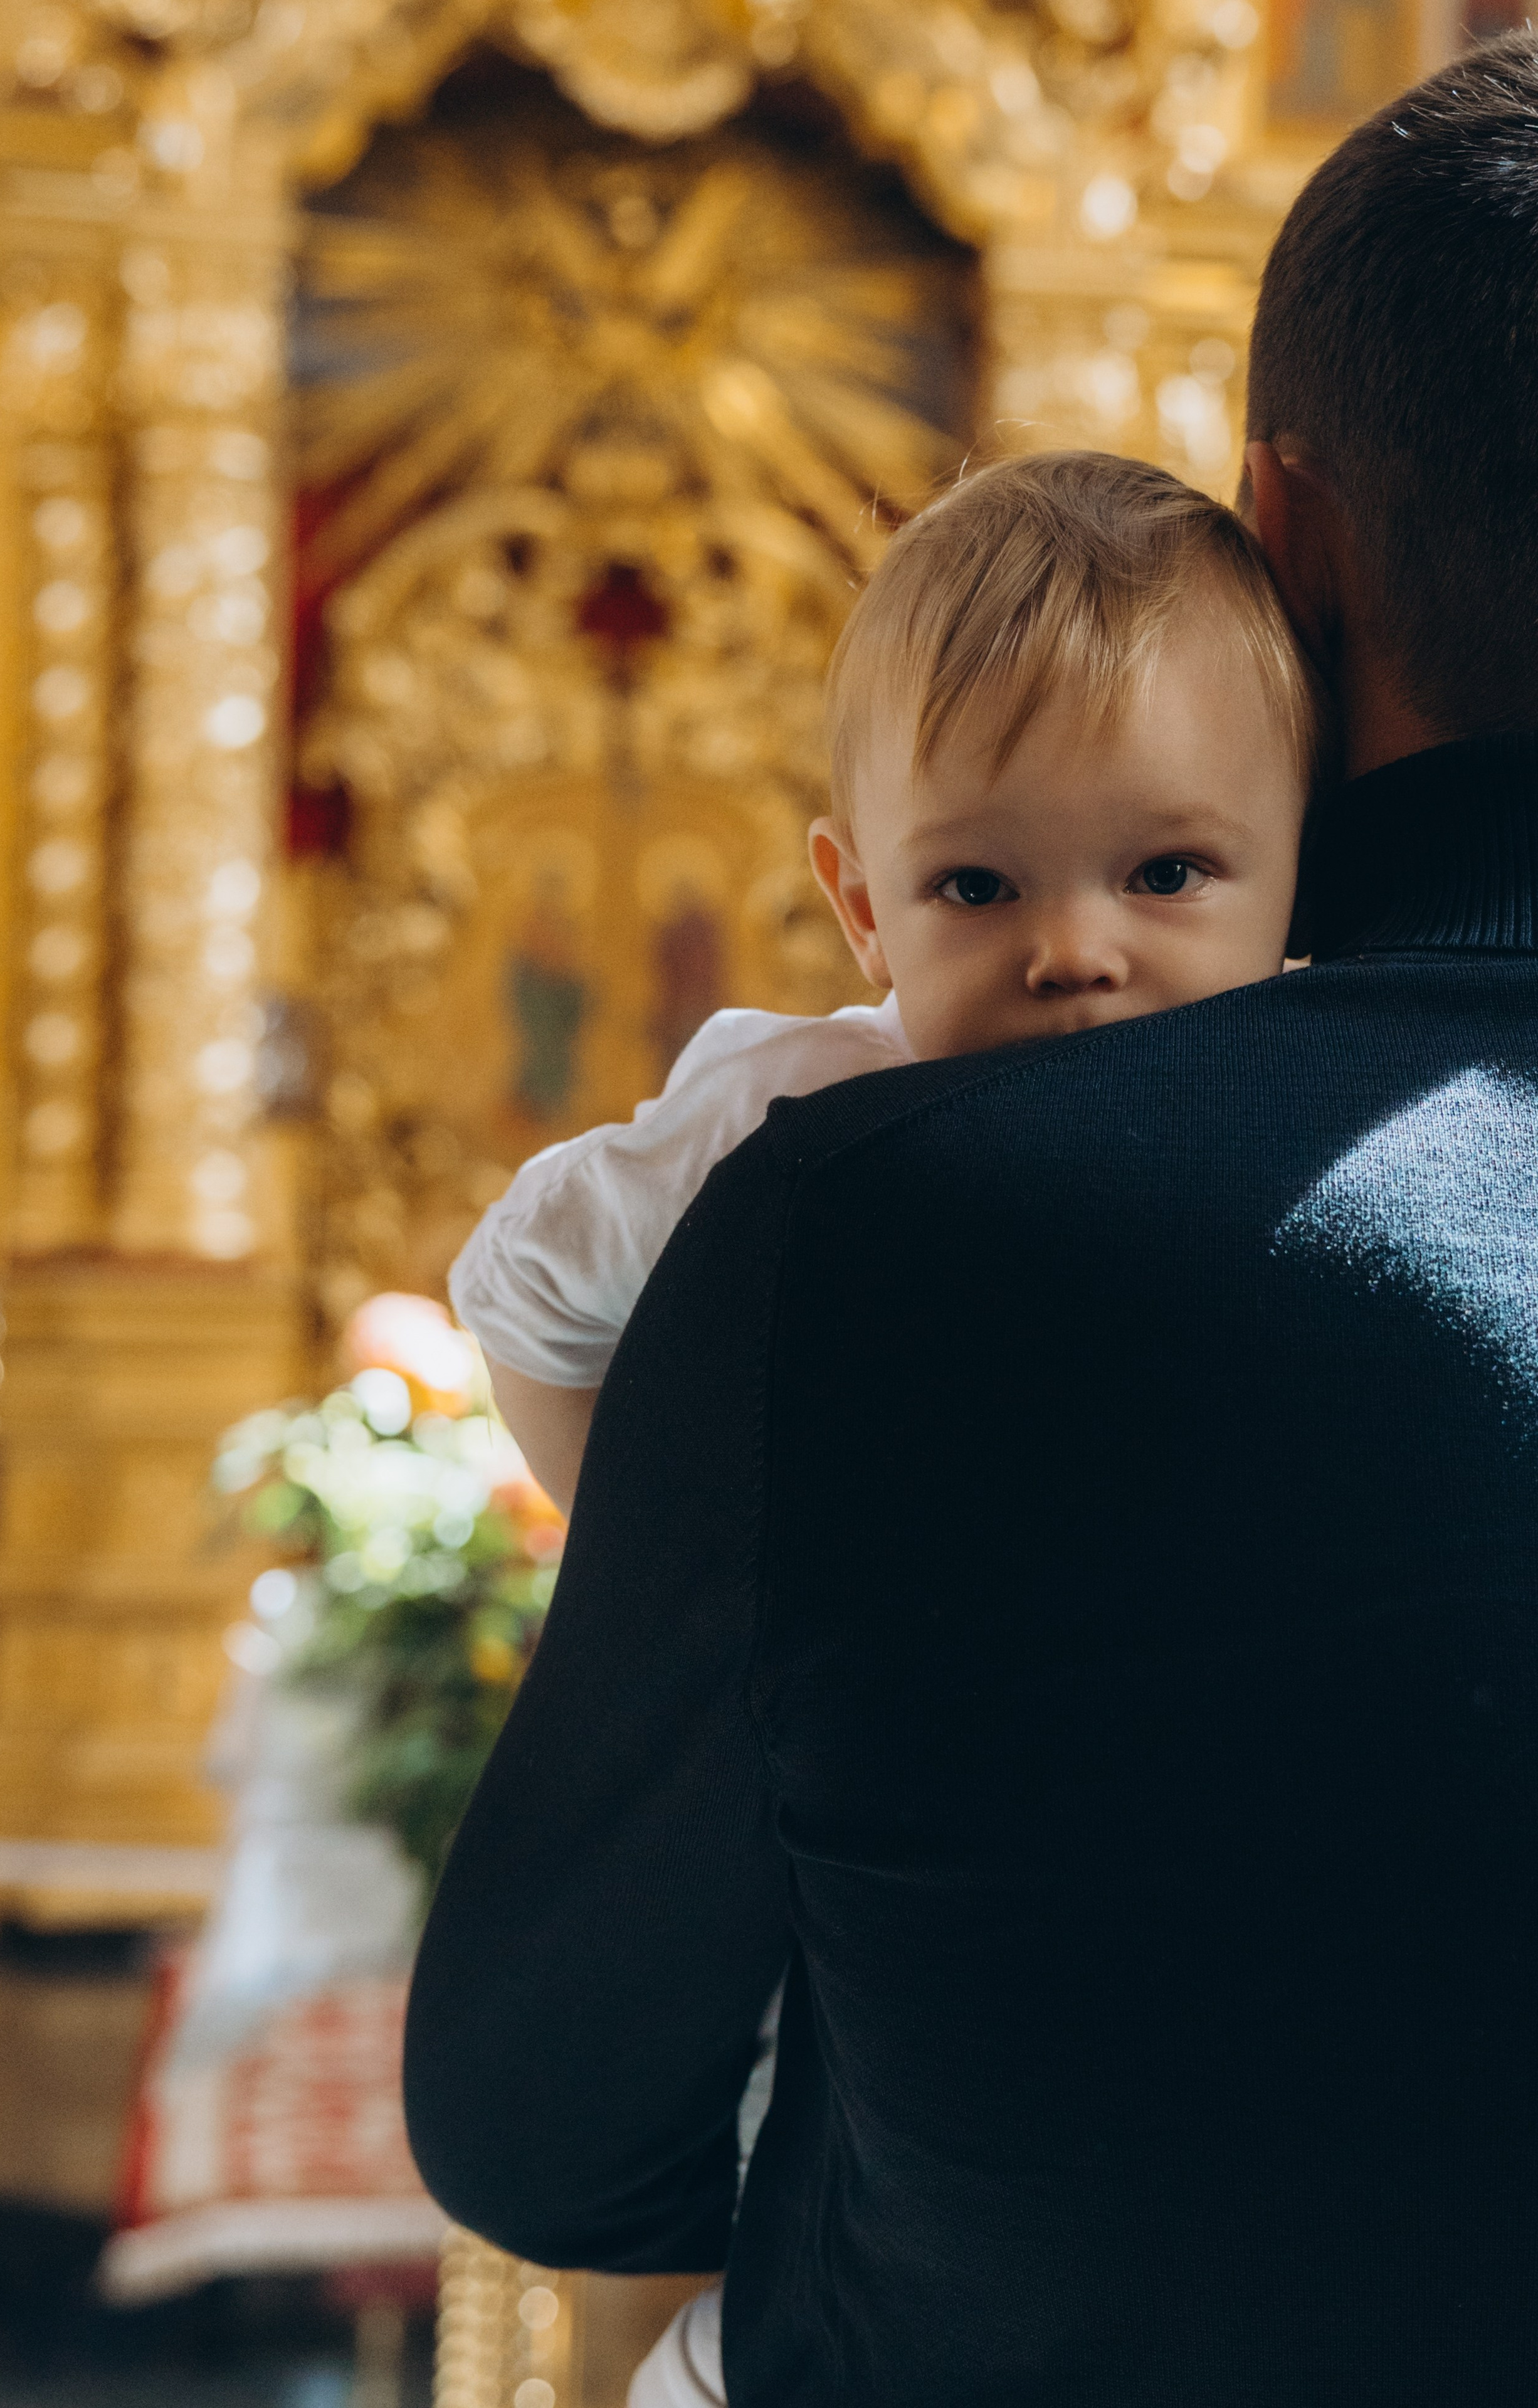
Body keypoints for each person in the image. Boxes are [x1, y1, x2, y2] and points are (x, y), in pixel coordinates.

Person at [406, 34, 1538, 2405]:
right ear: (858, 894)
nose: (1082, 948)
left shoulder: (865, 1229)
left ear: (1289, 550)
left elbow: (548, 2136)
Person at [450, 451, 1319, 2408]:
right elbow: (520, 1290)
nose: (1076, 951)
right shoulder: (794, 1126)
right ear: (860, 900)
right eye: (977, 885)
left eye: (1168, 872)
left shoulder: (1322, 1106)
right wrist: (692, 1576)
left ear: (1294, 870)